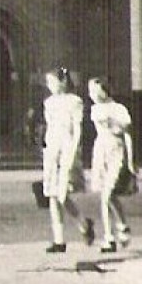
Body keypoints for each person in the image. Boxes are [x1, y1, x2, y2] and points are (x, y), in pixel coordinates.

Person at [41, 67, 92, 252]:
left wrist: (74, 150)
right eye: (48, 83)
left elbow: (77, 128)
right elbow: (50, 125)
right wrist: (46, 146)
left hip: (67, 148)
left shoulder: (74, 101)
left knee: (62, 194)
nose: (50, 86)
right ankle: (59, 239)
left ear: (63, 82)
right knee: (53, 195)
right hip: (53, 148)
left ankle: (83, 223)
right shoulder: (49, 103)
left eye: (52, 82)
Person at [87, 76, 136, 252]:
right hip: (101, 151)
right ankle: (116, 231)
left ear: (104, 90)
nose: (91, 94)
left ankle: (113, 234)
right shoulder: (94, 110)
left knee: (107, 194)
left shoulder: (119, 109)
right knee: (106, 195)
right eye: (90, 90)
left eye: (94, 90)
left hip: (116, 150)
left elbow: (127, 134)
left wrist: (131, 160)